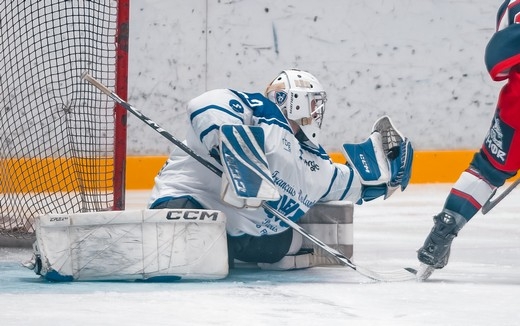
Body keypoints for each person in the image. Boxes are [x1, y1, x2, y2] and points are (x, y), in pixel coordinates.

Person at [148, 68, 413, 268]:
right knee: (200, 239)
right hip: (186, 207)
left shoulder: (318, 166)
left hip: (242, 237)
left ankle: (238, 253)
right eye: (313, 103)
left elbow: (355, 183)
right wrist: (236, 152)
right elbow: (205, 104)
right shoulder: (260, 115)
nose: (317, 113)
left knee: (285, 241)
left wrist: (388, 173)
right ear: (294, 100)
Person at [416, 0, 520, 279]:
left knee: (486, 171)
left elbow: (499, 62)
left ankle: (444, 227)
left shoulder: (512, 5)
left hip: (517, 106)